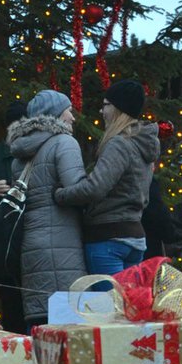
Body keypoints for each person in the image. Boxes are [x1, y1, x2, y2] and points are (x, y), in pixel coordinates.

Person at [55, 79, 161, 275]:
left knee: (106, 305)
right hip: (135, 239)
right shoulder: (142, 144)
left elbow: (95, 188)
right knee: (127, 305)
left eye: (106, 105)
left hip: (108, 239)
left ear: (119, 108)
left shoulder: (120, 144)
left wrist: (60, 194)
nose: (102, 111)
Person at [7, 89, 86, 332]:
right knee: (70, 332)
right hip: (63, 245)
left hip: (31, 245)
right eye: (69, 111)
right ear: (56, 115)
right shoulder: (64, 143)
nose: (72, 118)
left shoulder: (19, 156)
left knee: (41, 329)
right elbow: (78, 190)